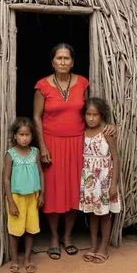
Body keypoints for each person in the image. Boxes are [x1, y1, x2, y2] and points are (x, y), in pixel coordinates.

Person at [33, 43, 89, 259]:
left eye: (67, 58)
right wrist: (43, 145)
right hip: (52, 143)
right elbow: (37, 116)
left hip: (76, 143)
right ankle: (54, 237)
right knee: (54, 192)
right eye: (59, 58)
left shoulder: (83, 83)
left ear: (73, 61)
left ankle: (68, 237)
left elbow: (89, 112)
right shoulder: (42, 86)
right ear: (52, 61)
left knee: (74, 190)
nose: (63, 62)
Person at [80, 97, 121, 263]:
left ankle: (104, 247)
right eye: (88, 114)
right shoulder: (82, 132)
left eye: (95, 115)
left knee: (105, 215)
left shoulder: (107, 133)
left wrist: (114, 185)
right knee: (92, 213)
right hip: (89, 180)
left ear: (101, 115)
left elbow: (116, 158)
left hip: (104, 180)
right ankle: (93, 246)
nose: (91, 118)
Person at [3, 117, 44, 273]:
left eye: (27, 135)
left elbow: (41, 173)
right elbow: (6, 179)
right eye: (21, 134)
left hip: (32, 197)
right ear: (15, 136)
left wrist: (42, 194)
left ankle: (27, 259)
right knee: (15, 230)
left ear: (32, 136)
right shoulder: (11, 154)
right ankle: (14, 260)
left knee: (30, 229)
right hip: (17, 197)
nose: (24, 138)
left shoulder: (35, 152)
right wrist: (11, 202)